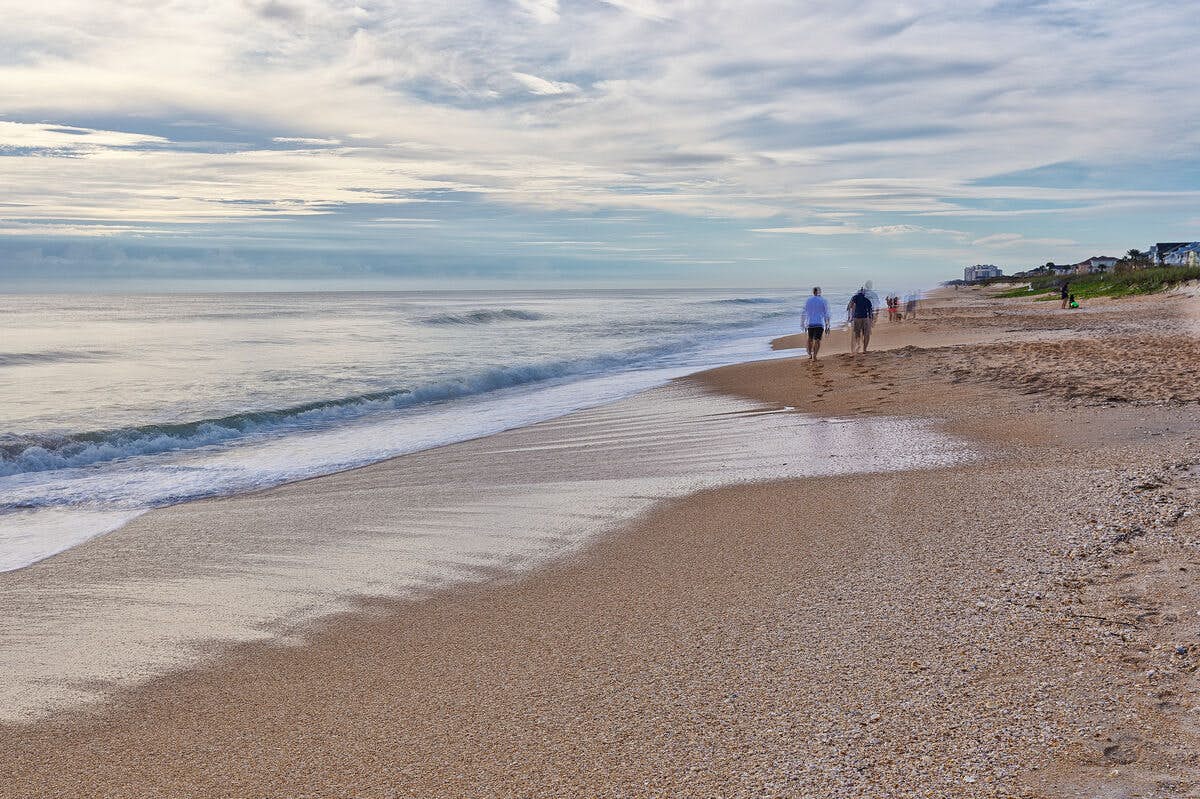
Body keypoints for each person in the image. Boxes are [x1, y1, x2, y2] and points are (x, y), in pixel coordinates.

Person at [802, 286, 831, 361]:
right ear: (819, 292)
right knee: (817, 340)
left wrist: (803, 323)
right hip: (819, 323)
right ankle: (814, 355)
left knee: (810, 339)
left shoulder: (808, 300)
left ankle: (810, 354)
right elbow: (826, 314)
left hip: (810, 323)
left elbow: (804, 313)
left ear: (813, 292)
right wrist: (828, 325)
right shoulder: (823, 300)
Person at [846, 287, 873, 354]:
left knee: (857, 333)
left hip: (857, 317)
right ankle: (864, 349)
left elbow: (849, 306)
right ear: (864, 293)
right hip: (865, 318)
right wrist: (871, 320)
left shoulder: (855, 297)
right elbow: (870, 312)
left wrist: (849, 317)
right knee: (866, 334)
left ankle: (858, 344)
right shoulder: (867, 300)